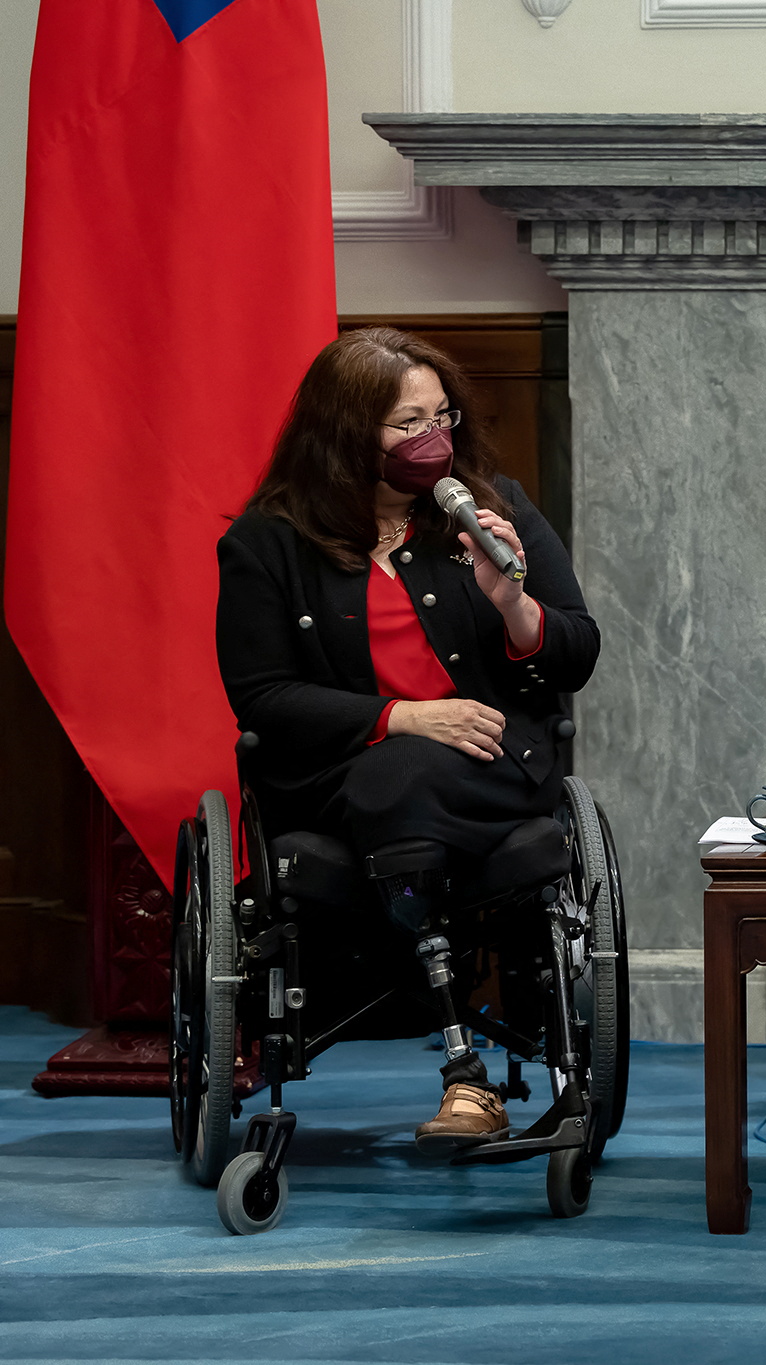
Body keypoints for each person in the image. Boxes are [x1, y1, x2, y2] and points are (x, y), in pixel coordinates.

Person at [216, 327, 599, 1152]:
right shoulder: (268, 543)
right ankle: (467, 1073)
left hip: (495, 771)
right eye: (407, 422)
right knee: (394, 777)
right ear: (346, 433)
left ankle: (466, 1074)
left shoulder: (492, 508)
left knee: (404, 781)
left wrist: (512, 604)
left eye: (442, 416)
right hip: (343, 783)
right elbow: (262, 696)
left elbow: (579, 648)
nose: (435, 440)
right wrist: (403, 716)